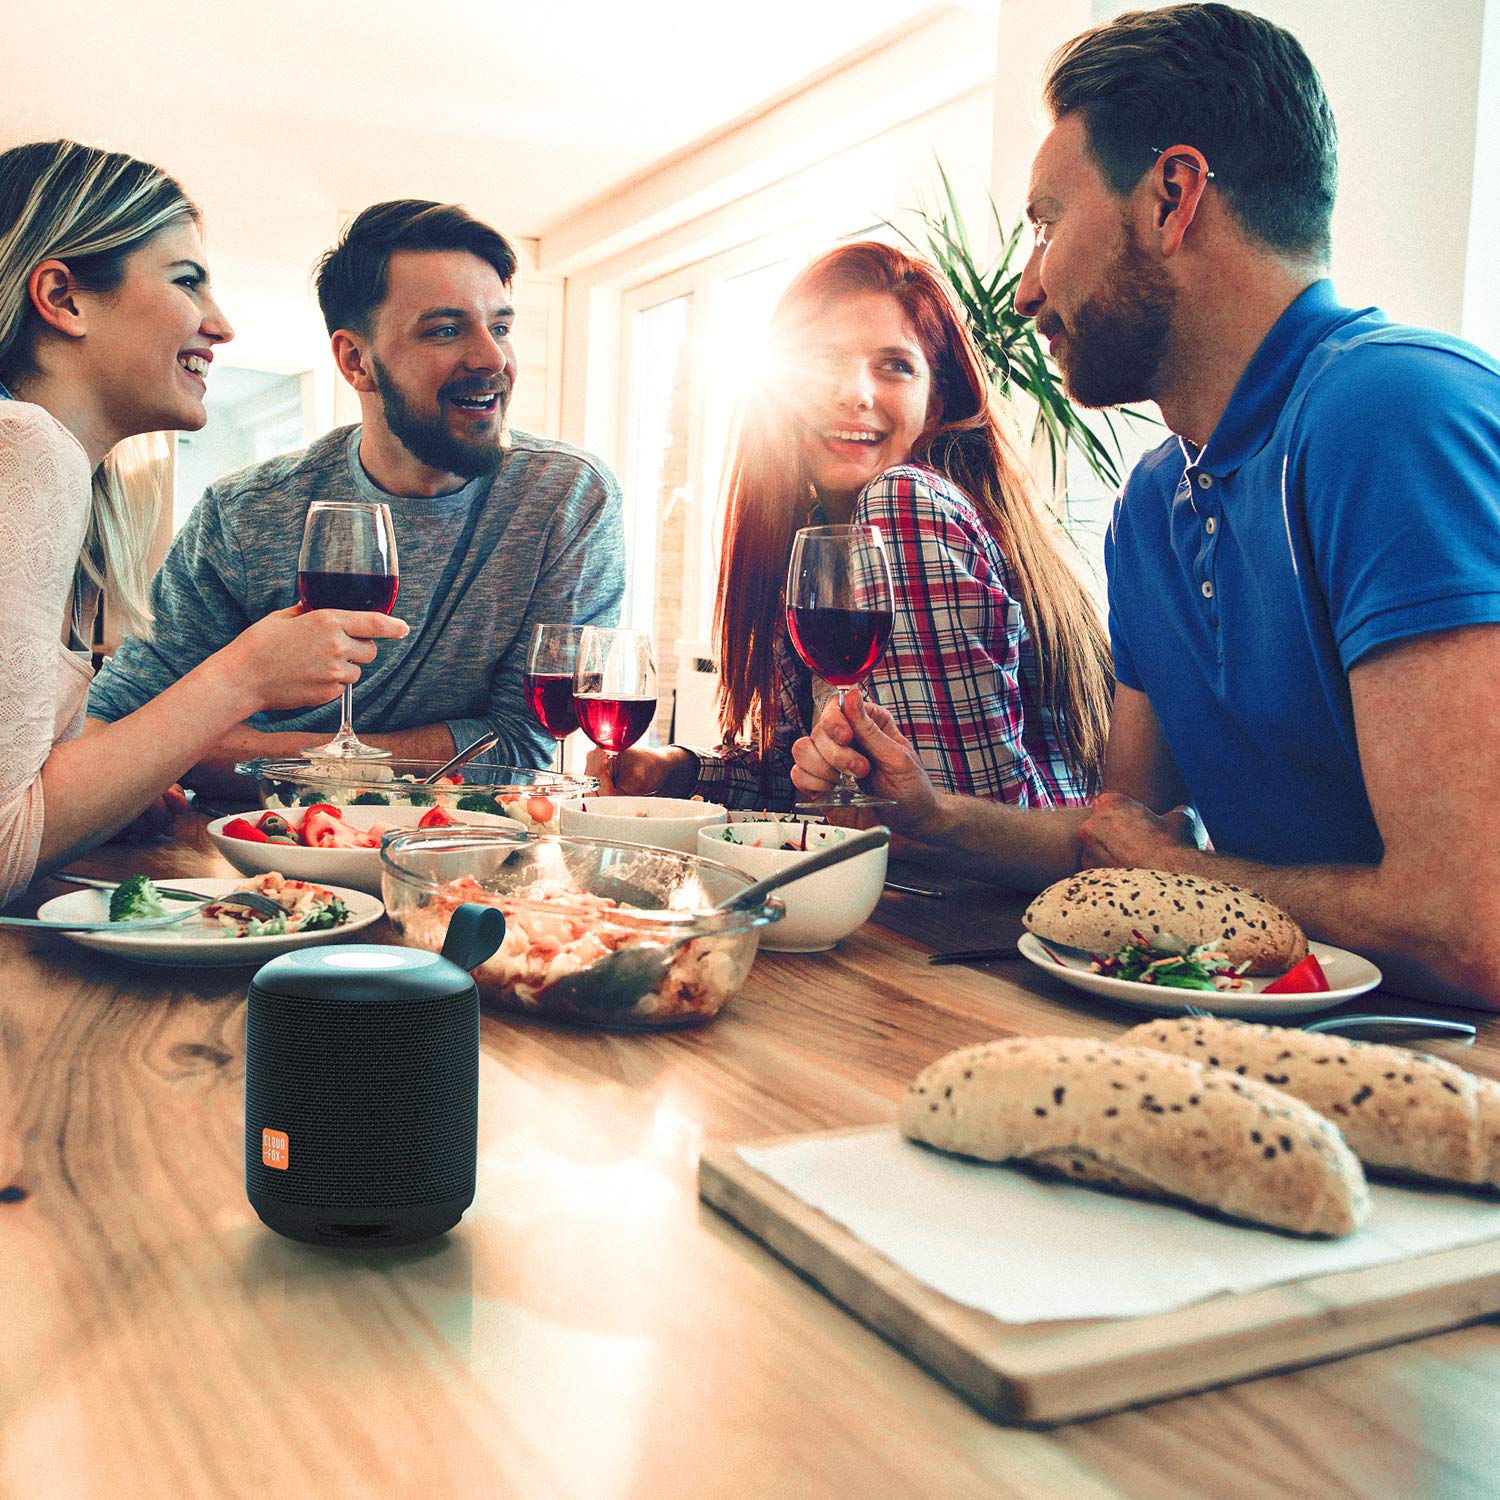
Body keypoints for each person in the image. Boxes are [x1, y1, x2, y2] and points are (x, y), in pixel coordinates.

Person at [793, 3, 1500, 1008]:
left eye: (1046, 225)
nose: (1026, 290)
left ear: (1172, 198)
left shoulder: (1394, 413)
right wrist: (932, 816)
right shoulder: (1153, 503)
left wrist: (1181, 875)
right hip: (1260, 1035)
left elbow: (1473, 931)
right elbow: (1117, 832)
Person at [87, 199, 624, 783]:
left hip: (467, 836)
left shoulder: (566, 498)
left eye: (499, 327)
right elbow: (119, 722)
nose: (492, 357)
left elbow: (520, 747)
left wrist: (238, 752)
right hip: (258, 835)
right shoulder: (246, 512)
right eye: (446, 330)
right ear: (355, 360)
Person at [0, 140, 407, 904]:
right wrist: (247, 674)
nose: (219, 325)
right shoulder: (26, 451)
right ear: (63, 298)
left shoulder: (66, 475)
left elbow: (27, 784)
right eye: (187, 281)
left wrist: (113, 787)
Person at [589, 241, 1112, 811]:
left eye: (894, 366)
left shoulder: (905, 505)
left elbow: (955, 824)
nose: (854, 394)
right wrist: (676, 771)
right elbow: (800, 776)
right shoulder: (815, 545)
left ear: (934, 406)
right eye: (821, 362)